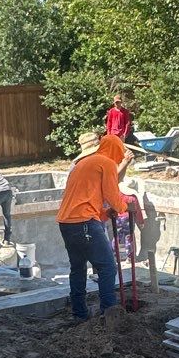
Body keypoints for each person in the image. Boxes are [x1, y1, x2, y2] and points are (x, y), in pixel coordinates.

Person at [57, 130, 126, 319]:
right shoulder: (107, 163)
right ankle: (109, 312)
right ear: (115, 151)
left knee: (78, 268)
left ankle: (79, 314)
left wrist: (104, 213)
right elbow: (113, 197)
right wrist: (123, 206)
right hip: (84, 222)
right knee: (107, 267)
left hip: (67, 222)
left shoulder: (83, 163)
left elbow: (83, 199)